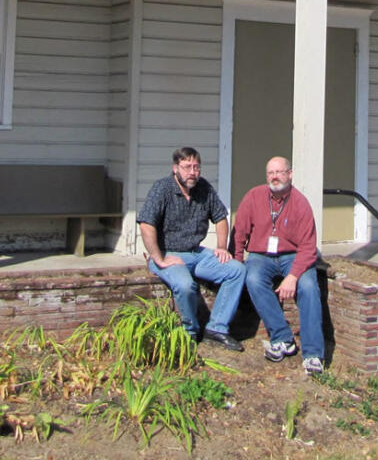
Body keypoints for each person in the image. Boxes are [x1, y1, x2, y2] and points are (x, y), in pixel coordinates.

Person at [137, 146, 246, 351]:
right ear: (175, 168)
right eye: (187, 167)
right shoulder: (162, 188)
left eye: (196, 167)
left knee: (237, 270)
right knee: (186, 286)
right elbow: (146, 223)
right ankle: (190, 332)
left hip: (197, 253)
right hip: (168, 253)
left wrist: (222, 247)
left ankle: (217, 328)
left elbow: (221, 217)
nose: (192, 172)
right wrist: (159, 258)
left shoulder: (203, 188)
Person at [231, 157, 324, 375]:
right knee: (253, 279)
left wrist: (292, 276)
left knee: (309, 287)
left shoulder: (300, 203)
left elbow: (308, 248)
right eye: (270, 173)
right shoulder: (253, 197)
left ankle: (313, 354)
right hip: (260, 256)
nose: (275, 177)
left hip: (294, 255)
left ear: (290, 174)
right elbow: (239, 233)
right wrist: (237, 261)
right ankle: (282, 338)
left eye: (280, 172)